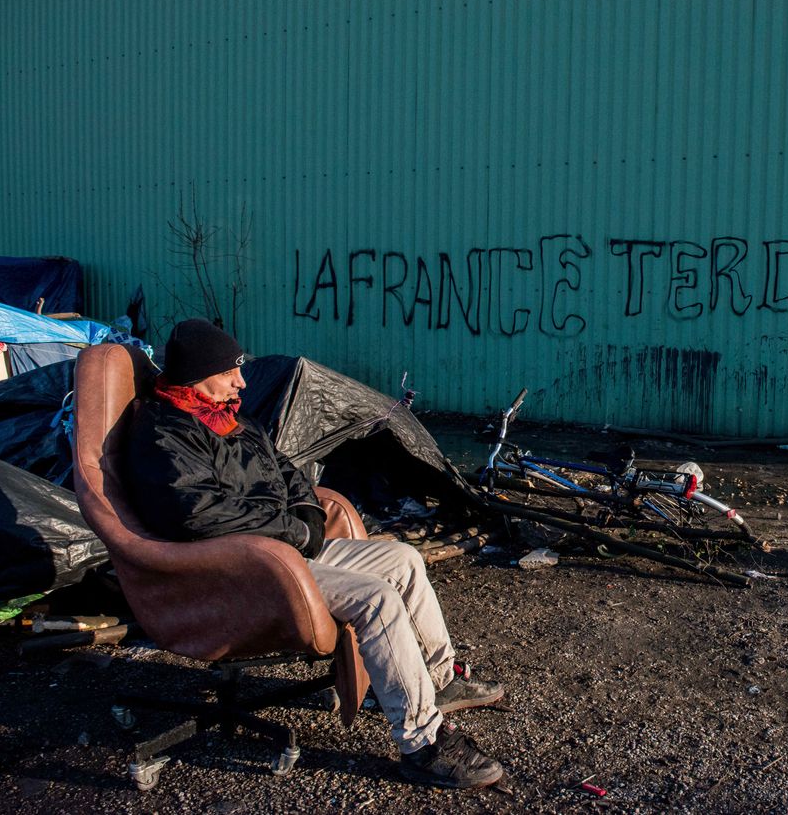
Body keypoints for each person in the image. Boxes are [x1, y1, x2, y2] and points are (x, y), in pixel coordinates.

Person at [124, 319, 505, 791]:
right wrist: (290, 530)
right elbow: (197, 516)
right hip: (234, 567)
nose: (242, 381)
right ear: (199, 374)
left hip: (282, 547)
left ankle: (437, 680)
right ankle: (422, 744)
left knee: (403, 560)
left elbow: (289, 473)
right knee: (376, 599)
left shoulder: (230, 418)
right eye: (230, 371)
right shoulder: (164, 436)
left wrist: (307, 516)